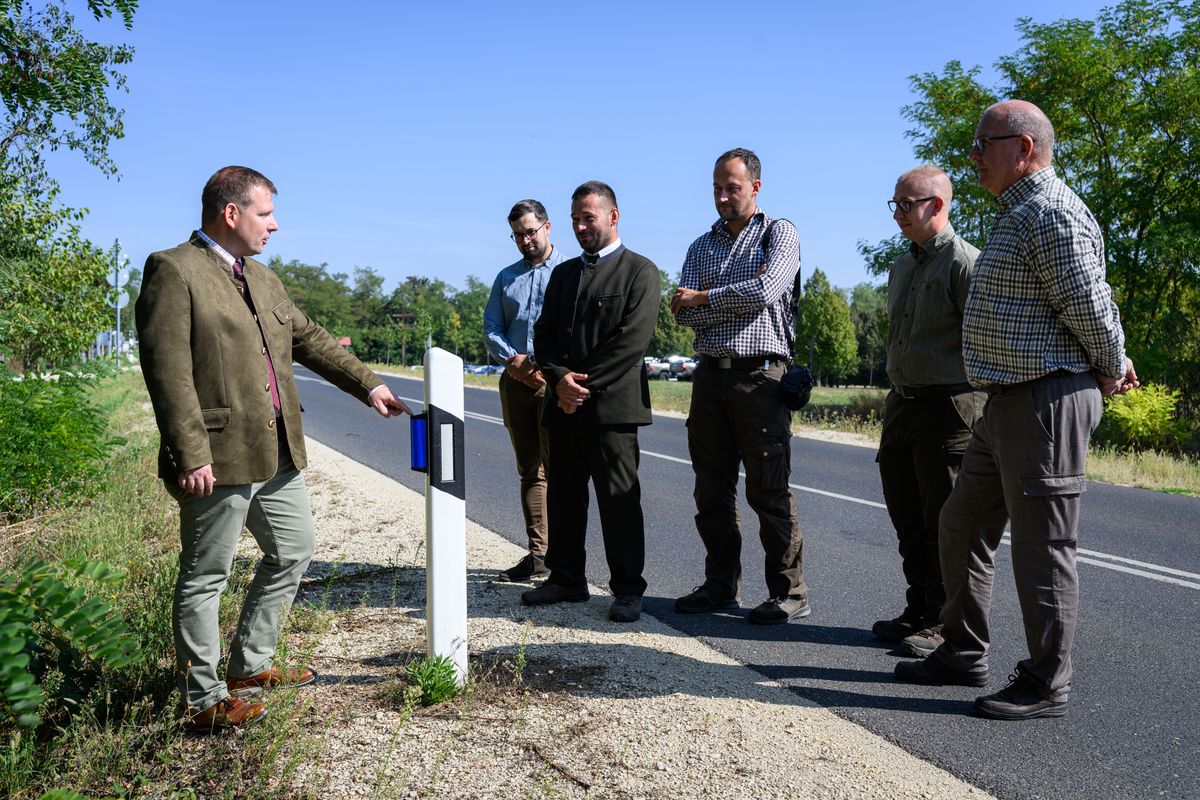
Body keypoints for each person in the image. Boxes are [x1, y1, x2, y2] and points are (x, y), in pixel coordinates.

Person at [136, 166, 411, 730]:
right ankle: (202, 698)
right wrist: (190, 452)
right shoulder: (174, 270)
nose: (275, 225)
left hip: (276, 450)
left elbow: (309, 340)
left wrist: (370, 385)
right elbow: (167, 371)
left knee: (293, 549)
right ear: (230, 213)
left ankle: (250, 666)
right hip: (215, 456)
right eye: (266, 213)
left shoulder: (263, 278)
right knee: (205, 574)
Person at [894, 101, 1138, 720]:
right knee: (960, 523)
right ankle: (963, 650)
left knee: (1042, 547)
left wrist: (1111, 365)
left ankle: (1045, 682)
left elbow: (1087, 301)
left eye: (985, 143)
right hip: (1006, 402)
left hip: (1045, 398)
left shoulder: (1050, 212)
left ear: (1024, 148)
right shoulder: (1018, 212)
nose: (974, 155)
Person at [671, 147, 810, 625]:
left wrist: (708, 296)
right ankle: (719, 585)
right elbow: (684, 313)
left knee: (769, 490)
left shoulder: (779, 233)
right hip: (709, 375)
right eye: (716, 188)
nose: (723, 196)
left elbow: (768, 289)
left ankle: (789, 592)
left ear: (756, 185)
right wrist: (724, 300)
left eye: (732, 187)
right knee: (711, 490)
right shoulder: (699, 246)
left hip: (761, 378)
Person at [521, 181, 659, 623]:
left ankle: (627, 590)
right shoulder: (563, 275)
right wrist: (558, 381)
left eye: (589, 218)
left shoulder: (640, 271)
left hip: (612, 411)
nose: (580, 226)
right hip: (562, 408)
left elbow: (630, 343)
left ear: (613, 217)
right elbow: (542, 336)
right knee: (564, 496)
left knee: (619, 500)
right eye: (575, 219)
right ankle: (566, 579)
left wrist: (581, 387)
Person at [872, 166, 986, 658]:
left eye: (907, 203)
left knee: (946, 523)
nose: (898, 212)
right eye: (894, 203)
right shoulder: (902, 266)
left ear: (937, 205)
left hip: (950, 407)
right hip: (904, 405)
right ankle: (918, 608)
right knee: (907, 517)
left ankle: (944, 623)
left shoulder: (965, 263)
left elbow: (984, 341)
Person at [484, 199, 566, 582]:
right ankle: (538, 555)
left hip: (554, 384)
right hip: (515, 382)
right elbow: (491, 328)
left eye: (531, 232)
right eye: (518, 235)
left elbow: (574, 328)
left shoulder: (569, 271)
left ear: (547, 227)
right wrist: (514, 362)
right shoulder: (506, 278)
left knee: (560, 469)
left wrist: (547, 369)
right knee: (530, 470)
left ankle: (565, 559)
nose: (525, 240)